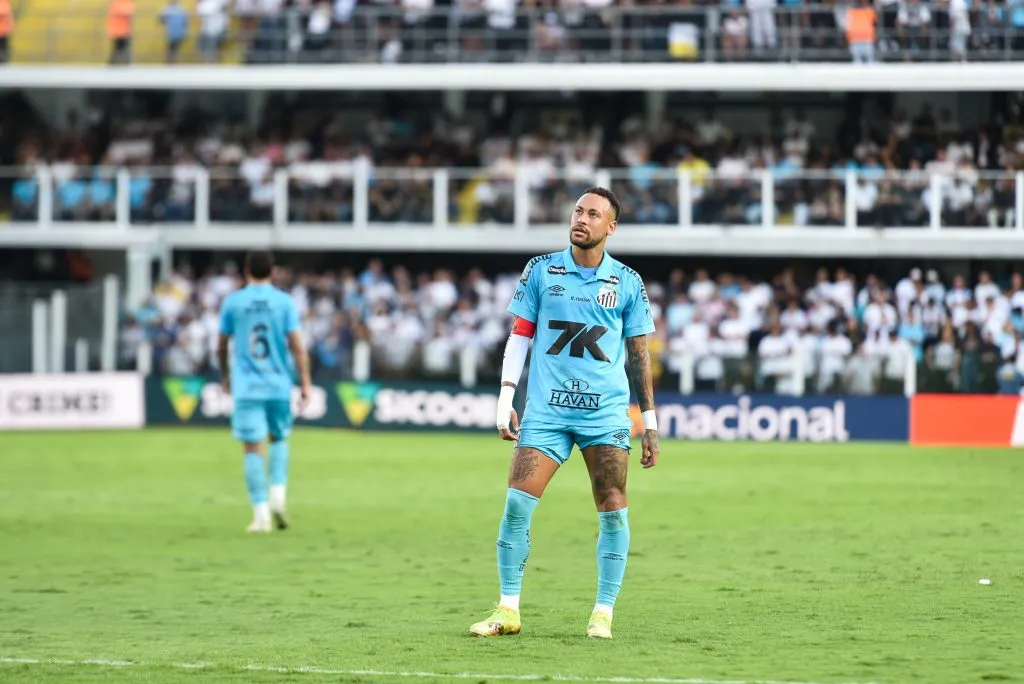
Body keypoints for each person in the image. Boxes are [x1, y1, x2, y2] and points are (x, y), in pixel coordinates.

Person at [469, 187, 659, 640]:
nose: (582, 219)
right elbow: (520, 336)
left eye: (594, 214)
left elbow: (638, 355)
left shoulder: (628, 282)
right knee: (516, 503)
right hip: (547, 413)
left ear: (610, 227)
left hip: (606, 416)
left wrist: (649, 424)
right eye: (578, 210)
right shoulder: (540, 270)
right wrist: (505, 399)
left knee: (613, 510)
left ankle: (602, 613)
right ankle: (508, 609)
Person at [217, 250, 312, 534]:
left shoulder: (233, 302)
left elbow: (221, 345)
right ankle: (278, 497)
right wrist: (305, 381)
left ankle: (261, 516)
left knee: (252, 449)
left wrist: (224, 376)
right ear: (272, 271)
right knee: (279, 438)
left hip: (246, 387)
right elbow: (296, 344)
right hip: (278, 384)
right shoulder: (284, 302)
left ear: (246, 271)